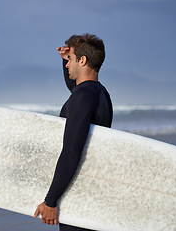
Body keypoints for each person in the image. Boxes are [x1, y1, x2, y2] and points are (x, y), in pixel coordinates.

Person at [33, 33, 113, 231]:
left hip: (78, 192)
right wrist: (64, 60)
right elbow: (75, 89)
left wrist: (50, 201)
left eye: (70, 60)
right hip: (92, 191)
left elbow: (71, 151)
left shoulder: (83, 96)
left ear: (83, 60)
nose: (67, 65)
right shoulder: (100, 93)